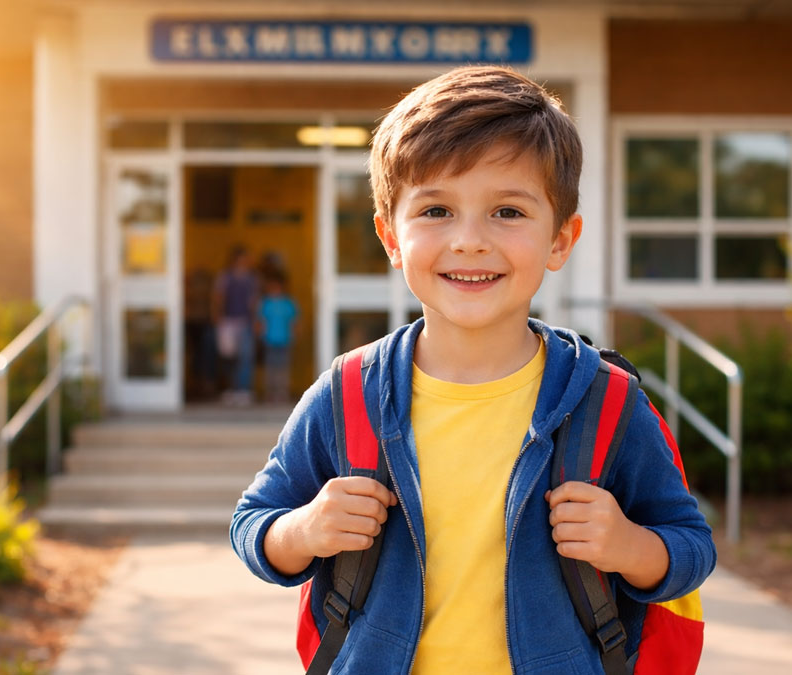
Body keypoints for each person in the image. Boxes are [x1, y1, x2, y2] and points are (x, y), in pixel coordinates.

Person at [230, 66, 715, 673]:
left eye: (508, 212)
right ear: (390, 238)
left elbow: (691, 546)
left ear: (561, 240)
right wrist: (304, 531)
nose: (469, 240)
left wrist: (630, 546)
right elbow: (253, 524)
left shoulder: (605, 401)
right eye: (435, 210)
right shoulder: (347, 393)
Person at [212, 244, 259, 405]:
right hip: (228, 322)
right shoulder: (225, 277)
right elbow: (219, 297)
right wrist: (217, 316)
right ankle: (231, 389)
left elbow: (254, 302)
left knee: (245, 357)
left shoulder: (252, 279)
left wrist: (255, 320)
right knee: (229, 358)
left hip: (245, 321)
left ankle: (244, 390)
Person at [256, 273, 298, 404]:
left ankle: (282, 393)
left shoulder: (288, 303)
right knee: (271, 368)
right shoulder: (266, 303)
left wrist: (294, 335)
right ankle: (270, 393)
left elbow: (294, 322)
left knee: (283, 368)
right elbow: (260, 322)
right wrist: (260, 335)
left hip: (284, 340)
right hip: (270, 340)